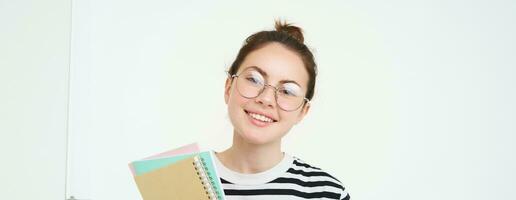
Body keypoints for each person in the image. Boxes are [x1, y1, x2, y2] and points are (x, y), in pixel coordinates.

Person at [213, 20, 351, 200]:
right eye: (254, 80)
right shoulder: (178, 176)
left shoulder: (326, 194)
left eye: (287, 91)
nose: (266, 99)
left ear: (303, 111)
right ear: (228, 87)